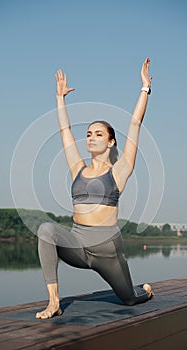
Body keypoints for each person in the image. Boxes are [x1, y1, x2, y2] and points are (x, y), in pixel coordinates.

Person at [36, 58, 153, 319]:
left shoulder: (119, 171)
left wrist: (145, 88)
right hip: (77, 243)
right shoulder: (77, 168)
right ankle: (53, 301)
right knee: (46, 230)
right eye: (89, 134)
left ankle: (143, 290)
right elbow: (64, 130)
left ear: (111, 142)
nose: (91, 137)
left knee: (130, 299)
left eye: (98, 134)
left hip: (107, 249)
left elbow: (134, 124)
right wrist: (60, 98)